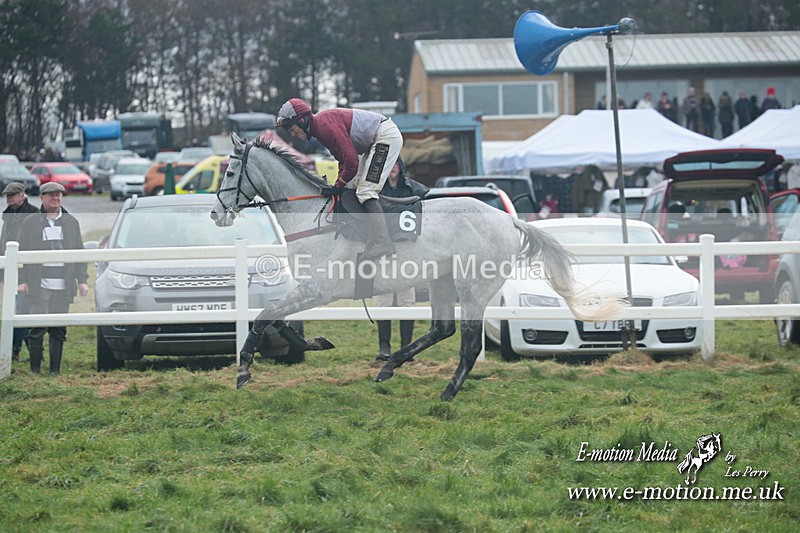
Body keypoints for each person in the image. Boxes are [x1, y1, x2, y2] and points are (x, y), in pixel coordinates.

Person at [277, 97, 402, 258]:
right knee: (353, 187)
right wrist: (339, 184)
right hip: (375, 140)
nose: (292, 134)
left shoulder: (323, 126)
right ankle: (371, 236)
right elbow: (343, 161)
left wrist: (338, 185)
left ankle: (384, 241)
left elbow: (351, 161)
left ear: (301, 120)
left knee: (366, 191)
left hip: (385, 136)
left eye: (292, 129)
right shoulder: (320, 129)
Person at [16, 182, 89, 375]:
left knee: (58, 329)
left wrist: (82, 280)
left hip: (63, 285)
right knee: (37, 328)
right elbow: (21, 252)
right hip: (38, 284)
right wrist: (21, 280)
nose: (55, 199)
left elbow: (79, 252)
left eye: (58, 196)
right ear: (41, 198)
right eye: (51, 196)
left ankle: (55, 370)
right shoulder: (31, 222)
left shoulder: (71, 222)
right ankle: (35, 370)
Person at [371, 158, 428, 361]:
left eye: (396, 164)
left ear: (401, 167)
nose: (393, 168)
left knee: (407, 302)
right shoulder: (375, 190)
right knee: (383, 301)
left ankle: (406, 348)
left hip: (407, 254)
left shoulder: (414, 189)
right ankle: (384, 348)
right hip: (383, 253)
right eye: (390, 164)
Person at [1, 182, 39, 361]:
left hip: (27, 270)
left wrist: (26, 277)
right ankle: (30, 350)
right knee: (17, 309)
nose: (9, 199)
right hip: (10, 269)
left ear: (23, 194)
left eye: (12, 196)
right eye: (7, 196)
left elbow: (33, 245)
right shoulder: (8, 215)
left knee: (23, 310)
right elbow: (4, 244)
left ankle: (17, 349)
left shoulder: (33, 213)